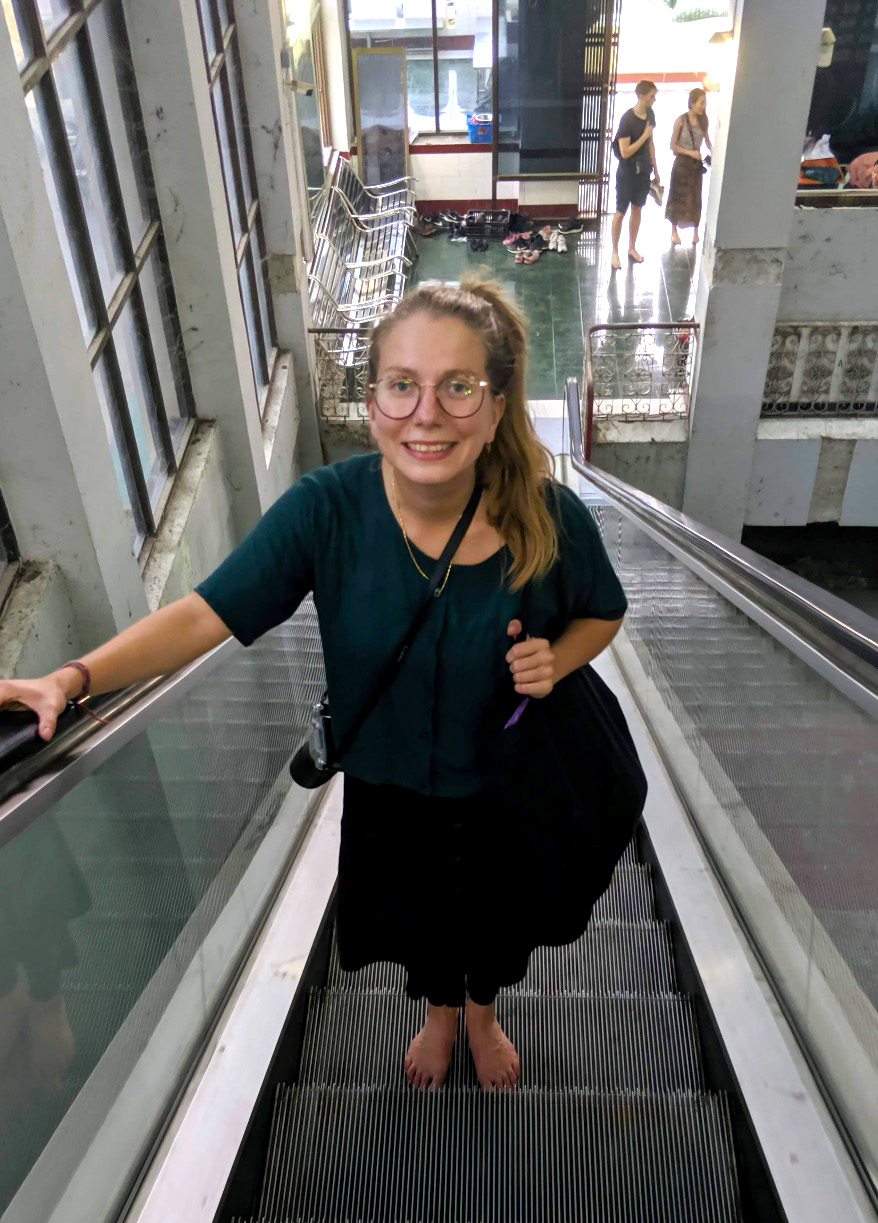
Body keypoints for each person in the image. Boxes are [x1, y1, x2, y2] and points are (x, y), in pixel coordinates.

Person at [0, 280, 627, 1095]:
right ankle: (440, 1012)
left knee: (497, 917)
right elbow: (203, 614)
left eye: (458, 386)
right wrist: (74, 677)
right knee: (425, 918)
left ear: (498, 405)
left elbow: (603, 613)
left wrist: (561, 659)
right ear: (373, 403)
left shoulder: (547, 514)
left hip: (510, 779)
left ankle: (481, 1011)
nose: (426, 413)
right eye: (402, 385)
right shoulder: (327, 512)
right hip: (391, 785)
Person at [610, 81, 661, 270]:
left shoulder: (650, 114)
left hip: (643, 171)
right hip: (627, 173)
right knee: (620, 212)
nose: (654, 100)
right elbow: (625, 152)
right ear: (641, 96)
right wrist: (644, 135)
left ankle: (631, 247)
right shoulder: (627, 119)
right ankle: (615, 251)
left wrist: (656, 168)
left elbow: (651, 143)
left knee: (637, 209)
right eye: (651, 96)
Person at [666, 88, 713, 247]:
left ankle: (695, 230)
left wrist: (714, 150)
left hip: (695, 165)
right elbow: (673, 146)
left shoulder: (703, 121)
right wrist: (690, 153)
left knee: (695, 196)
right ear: (692, 103)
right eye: (701, 103)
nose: (703, 106)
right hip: (682, 163)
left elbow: (706, 140)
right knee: (678, 196)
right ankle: (674, 230)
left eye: (704, 103)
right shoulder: (681, 121)